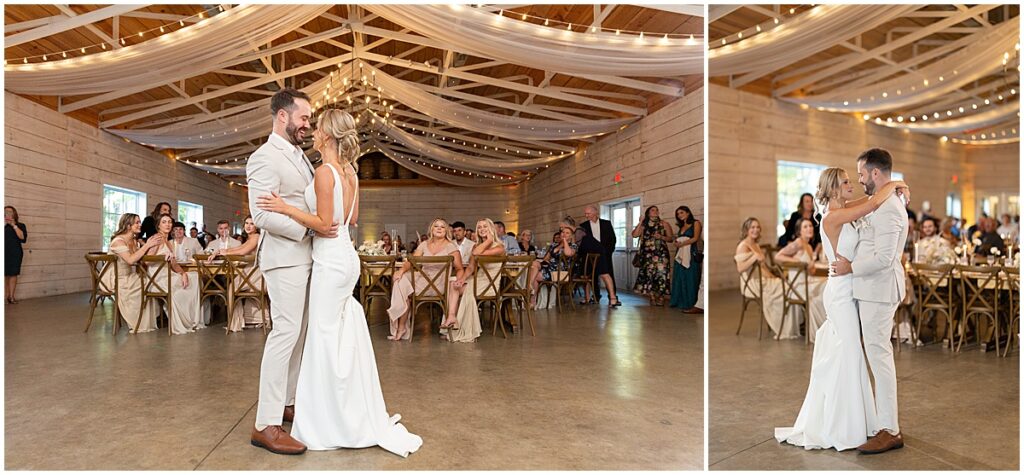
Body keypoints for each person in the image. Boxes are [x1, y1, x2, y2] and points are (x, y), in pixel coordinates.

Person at [256, 107, 421, 456]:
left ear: (328, 135)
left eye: (317, 128)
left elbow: (323, 223)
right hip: (348, 258)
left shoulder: (324, 172)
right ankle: (342, 404)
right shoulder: (351, 172)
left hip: (329, 258)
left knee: (322, 335)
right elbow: (352, 218)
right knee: (338, 331)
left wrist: (285, 208)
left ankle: (327, 413)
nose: (312, 132)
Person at [781, 150, 910, 454]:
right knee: (850, 353)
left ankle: (870, 424)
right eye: (847, 180)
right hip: (843, 290)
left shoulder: (853, 206)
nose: (855, 181)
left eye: (859, 175)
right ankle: (848, 423)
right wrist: (894, 185)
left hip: (860, 286)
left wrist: (895, 184)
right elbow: (873, 203)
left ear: (874, 173)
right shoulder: (835, 215)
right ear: (834, 188)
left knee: (856, 355)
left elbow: (874, 209)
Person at [247, 88, 323, 455]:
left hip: (306, 257)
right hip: (284, 256)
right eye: (304, 117)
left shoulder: (300, 156)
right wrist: (307, 228)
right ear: (282, 116)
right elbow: (261, 215)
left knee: (299, 335)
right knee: (285, 334)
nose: (308, 124)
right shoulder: (264, 157)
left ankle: (287, 402)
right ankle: (265, 423)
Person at [385, 218, 466, 341]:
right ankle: (401, 327)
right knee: (400, 282)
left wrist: (459, 280)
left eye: (442, 227)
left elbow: (460, 269)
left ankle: (399, 323)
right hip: (423, 279)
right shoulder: (424, 245)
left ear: (446, 231)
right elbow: (411, 262)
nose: (439, 228)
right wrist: (401, 271)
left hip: (439, 284)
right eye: (436, 226)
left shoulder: (451, 246)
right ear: (431, 229)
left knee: (405, 288)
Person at [144, 214, 203, 334]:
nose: (167, 224)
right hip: (157, 278)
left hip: (168, 274)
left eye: (169, 222)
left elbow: (174, 264)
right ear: (158, 225)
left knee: (194, 277)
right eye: (164, 222)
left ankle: (192, 320)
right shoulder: (157, 238)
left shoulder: (168, 242)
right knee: (188, 284)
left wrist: (183, 273)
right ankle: (182, 321)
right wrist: (162, 257)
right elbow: (147, 260)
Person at [449, 218, 506, 342]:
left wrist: (489, 240)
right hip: (476, 279)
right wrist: (462, 279)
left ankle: (460, 327)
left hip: (490, 284)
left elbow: (476, 253)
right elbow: (470, 268)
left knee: (459, 289)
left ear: (491, 229)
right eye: (479, 227)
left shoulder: (500, 247)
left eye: (485, 226)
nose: (482, 229)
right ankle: (452, 320)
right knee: (454, 283)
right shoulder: (477, 245)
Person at [734, 218, 791, 339]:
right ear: (747, 230)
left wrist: (772, 276)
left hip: (761, 279)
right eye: (752, 227)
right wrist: (754, 257)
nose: (756, 230)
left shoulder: (755, 244)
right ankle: (783, 326)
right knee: (786, 289)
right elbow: (740, 268)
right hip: (751, 283)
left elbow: (763, 267)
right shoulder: (742, 246)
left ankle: (790, 324)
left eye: (758, 227)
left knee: (788, 287)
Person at [103, 213, 162, 332]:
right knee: (145, 285)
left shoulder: (134, 241)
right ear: (128, 225)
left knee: (151, 283)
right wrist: (147, 246)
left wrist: (151, 246)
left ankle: (149, 319)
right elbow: (130, 260)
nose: (140, 225)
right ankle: (139, 321)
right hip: (116, 278)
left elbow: (141, 258)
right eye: (137, 222)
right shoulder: (118, 241)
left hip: (130, 275)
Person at [207, 215, 265, 332]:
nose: (248, 226)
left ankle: (235, 324)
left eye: (252, 223)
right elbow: (239, 249)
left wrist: (224, 252)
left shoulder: (256, 237)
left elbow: (243, 251)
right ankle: (241, 321)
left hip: (256, 273)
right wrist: (221, 251)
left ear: (257, 226)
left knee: (231, 289)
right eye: (247, 223)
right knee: (231, 286)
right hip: (251, 271)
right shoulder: (250, 238)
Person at [773, 217, 825, 340]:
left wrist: (811, 267)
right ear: (799, 231)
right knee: (827, 286)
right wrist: (797, 261)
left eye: (811, 226)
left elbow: (811, 272)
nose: (809, 229)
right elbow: (778, 256)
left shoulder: (809, 247)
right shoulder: (798, 242)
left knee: (828, 285)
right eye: (805, 227)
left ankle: (828, 330)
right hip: (797, 287)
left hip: (808, 282)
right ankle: (824, 332)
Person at [632, 206, 673, 306]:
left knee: (662, 275)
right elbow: (634, 235)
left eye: (657, 210)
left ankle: (661, 297)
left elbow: (671, 238)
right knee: (649, 275)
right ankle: (652, 296)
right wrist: (640, 222)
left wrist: (661, 237)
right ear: (648, 213)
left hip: (661, 254)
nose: (656, 212)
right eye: (653, 210)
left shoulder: (664, 224)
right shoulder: (643, 225)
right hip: (647, 254)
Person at [530, 224, 577, 307]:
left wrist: (565, 241)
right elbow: (546, 258)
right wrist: (546, 262)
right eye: (563, 232)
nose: (564, 234)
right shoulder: (554, 245)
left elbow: (568, 253)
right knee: (534, 263)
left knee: (536, 276)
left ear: (571, 236)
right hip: (549, 267)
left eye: (567, 233)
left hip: (560, 271)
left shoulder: (573, 246)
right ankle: (530, 287)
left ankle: (532, 298)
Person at [669, 206, 703, 314]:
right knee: (679, 276)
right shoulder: (681, 226)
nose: (680, 215)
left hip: (690, 254)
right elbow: (678, 238)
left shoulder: (696, 223)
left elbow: (695, 238)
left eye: (682, 212)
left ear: (688, 213)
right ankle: (679, 301)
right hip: (680, 254)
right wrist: (676, 243)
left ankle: (691, 302)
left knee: (690, 276)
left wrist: (682, 243)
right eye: (678, 214)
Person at [573, 227, 620, 306]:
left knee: (604, 274)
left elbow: (577, 245)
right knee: (584, 276)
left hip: (598, 253)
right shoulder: (578, 231)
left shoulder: (578, 231)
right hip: (587, 255)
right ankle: (587, 298)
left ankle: (613, 298)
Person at [580, 204, 617, 303]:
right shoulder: (583, 226)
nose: (587, 215)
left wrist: (608, 252)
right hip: (590, 256)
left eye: (588, 213)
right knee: (592, 277)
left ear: (595, 213)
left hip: (605, 254)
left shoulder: (606, 223)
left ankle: (613, 297)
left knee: (608, 274)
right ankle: (595, 296)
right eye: (585, 214)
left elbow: (612, 239)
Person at [5, 206, 28, 304]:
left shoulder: (20, 225)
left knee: (13, 274)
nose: (8, 213)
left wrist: (14, 225)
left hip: (15, 253)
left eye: (11, 211)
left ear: (14, 213)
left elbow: (23, 238)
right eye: (6, 212)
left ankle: (11, 297)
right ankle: (5, 296)